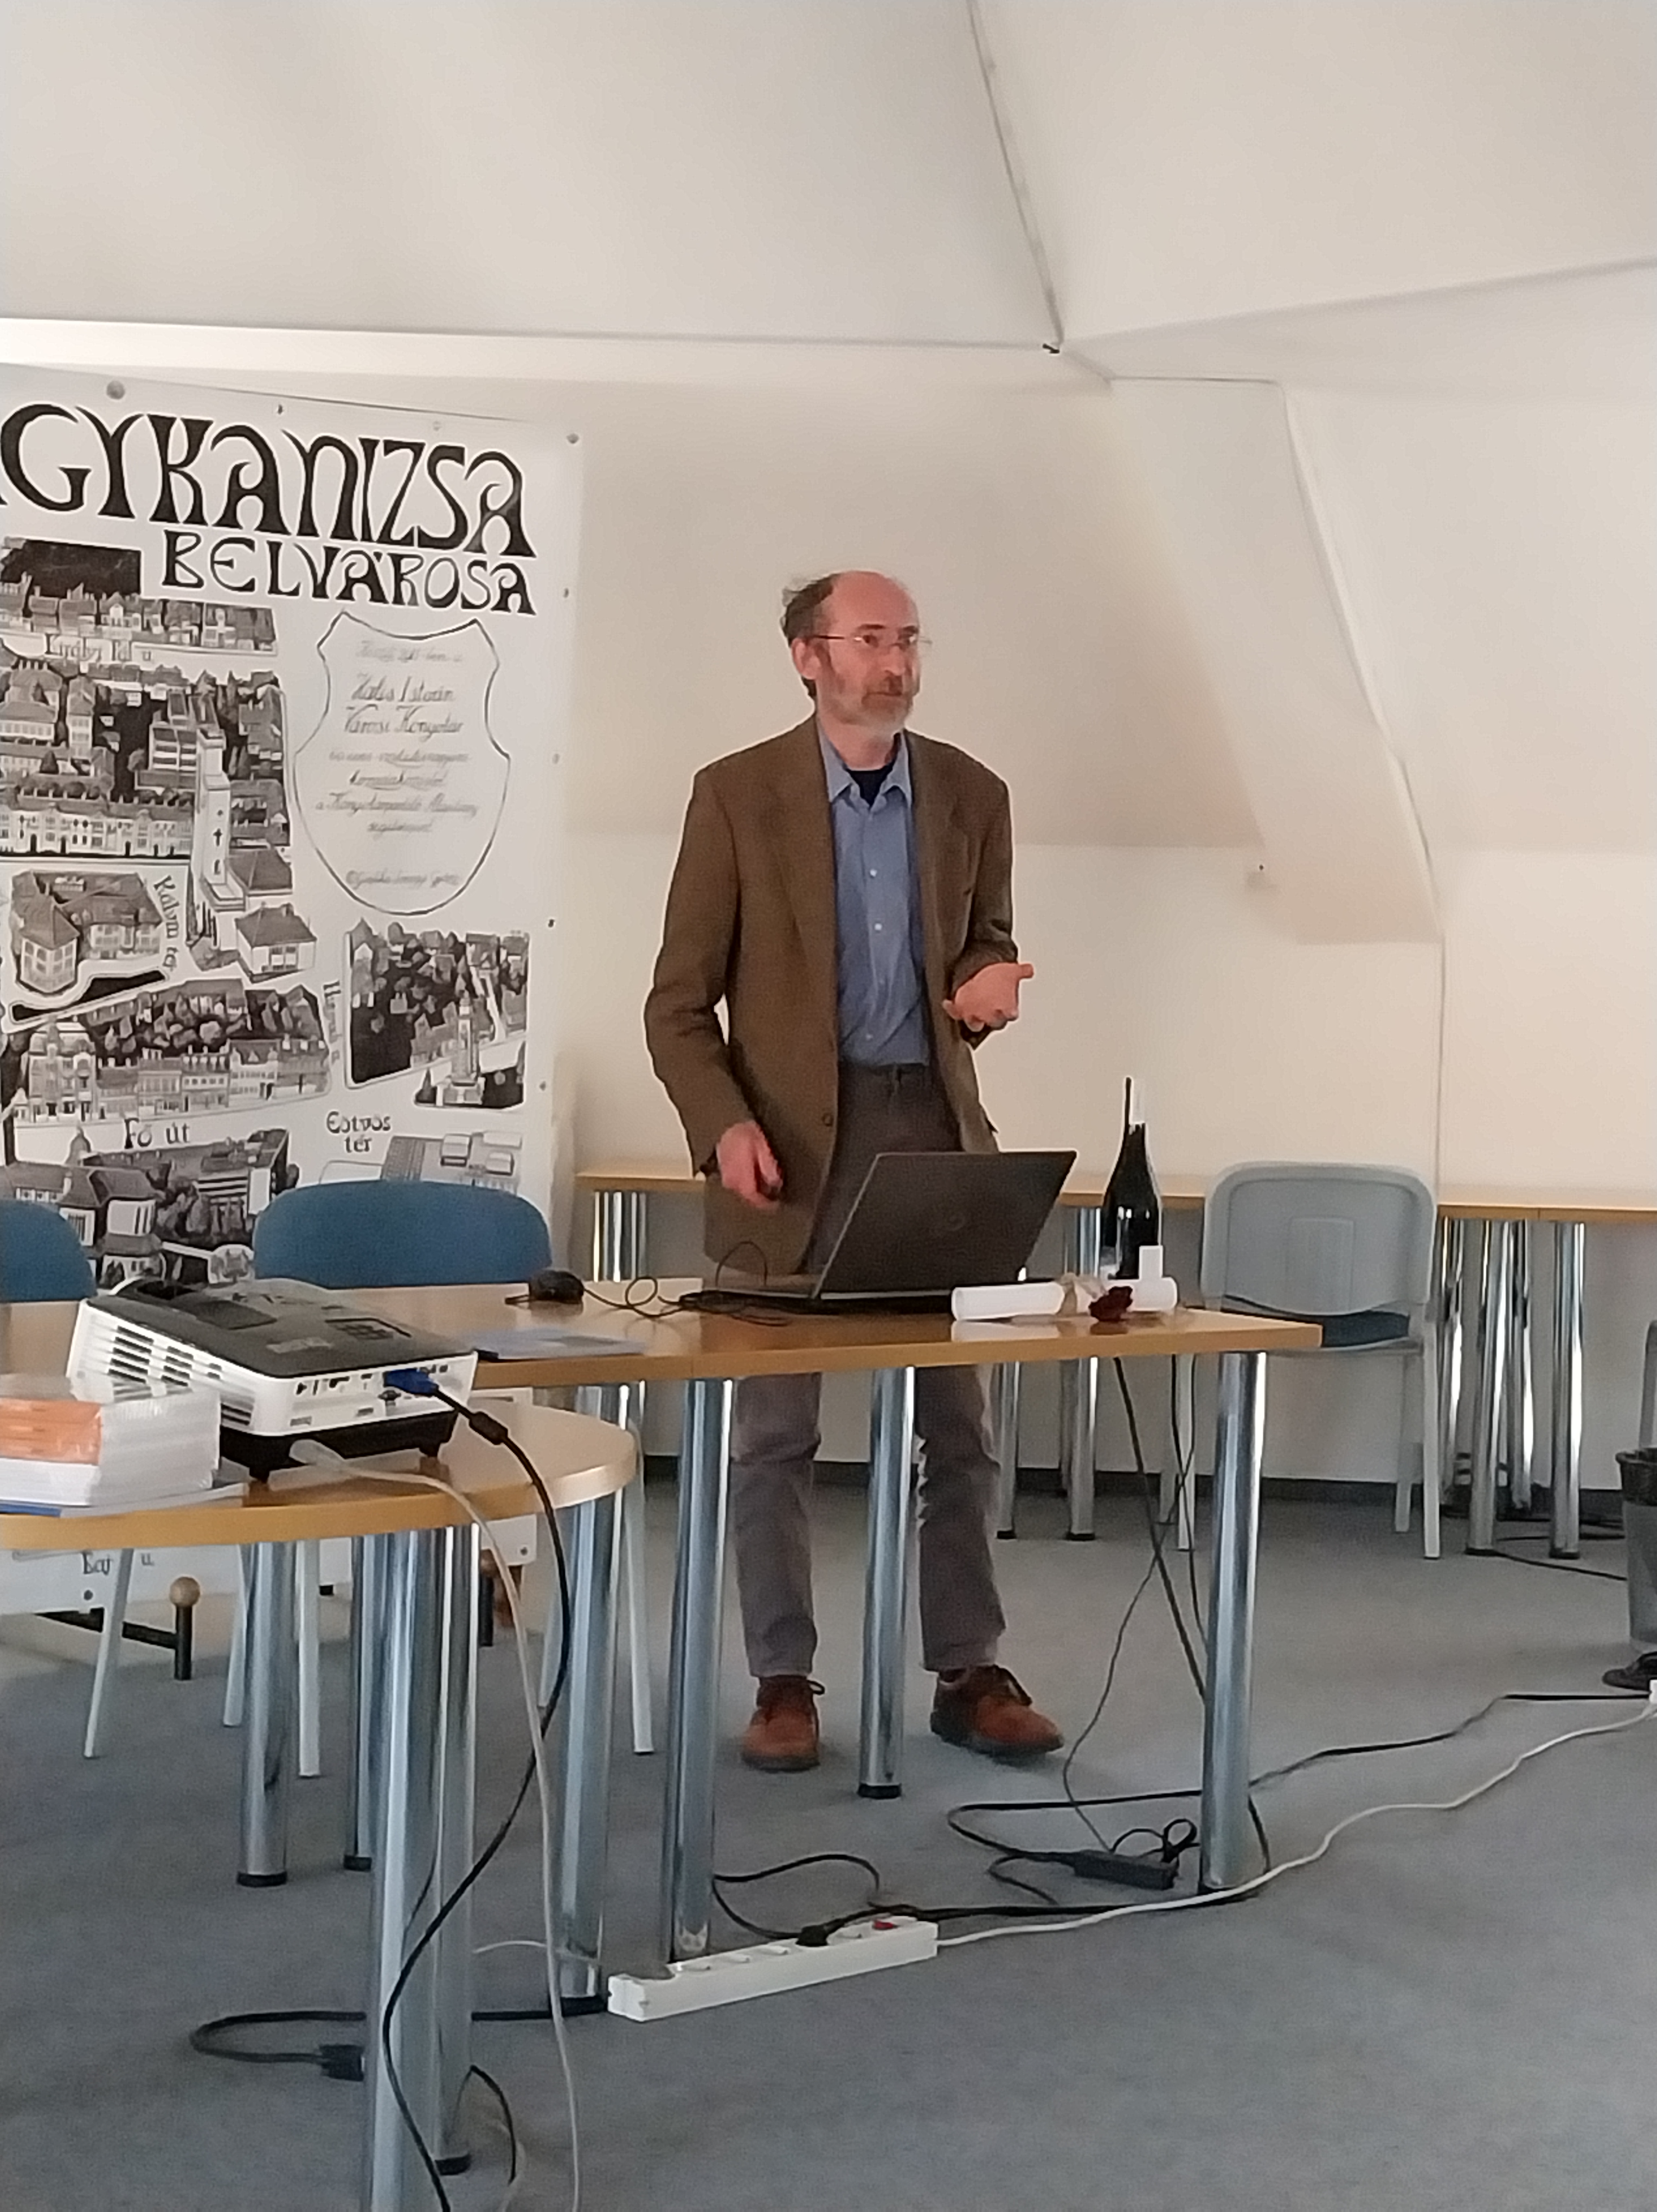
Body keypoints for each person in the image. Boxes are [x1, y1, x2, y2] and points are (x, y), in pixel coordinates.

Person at [645, 570, 1063, 1773]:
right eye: (871, 639)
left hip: (932, 1138)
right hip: (785, 1155)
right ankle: (782, 1680)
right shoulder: (736, 797)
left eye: (909, 641)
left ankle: (969, 1670)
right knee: (774, 1436)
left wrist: (985, 990)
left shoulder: (972, 794)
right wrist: (723, 1124)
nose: (897, 663)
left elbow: (984, 945)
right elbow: (677, 1007)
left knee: (960, 1432)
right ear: (807, 656)